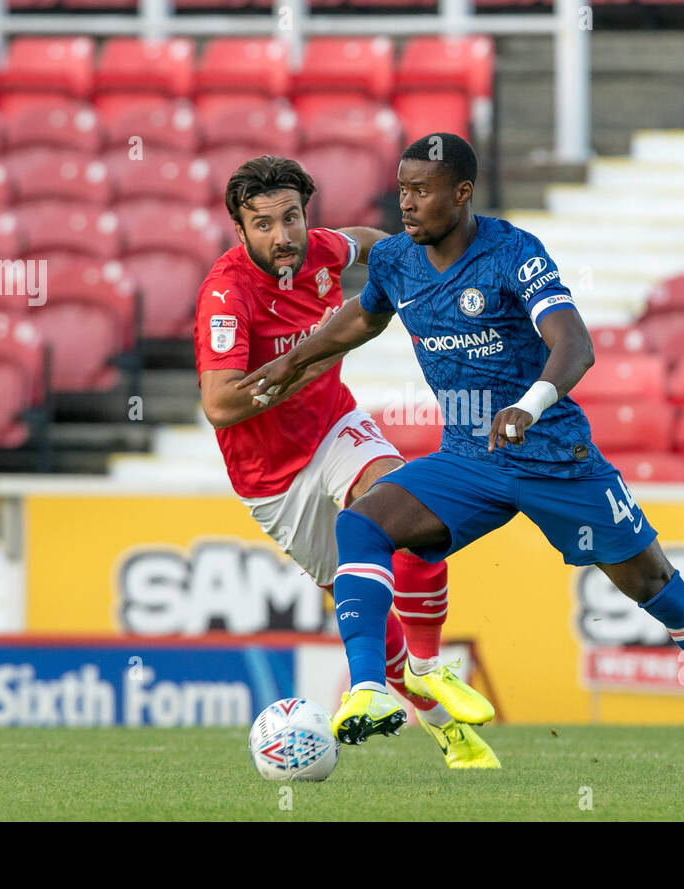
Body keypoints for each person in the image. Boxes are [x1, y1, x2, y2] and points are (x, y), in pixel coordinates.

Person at [239, 134, 684, 786]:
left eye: (421, 191)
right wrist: (293, 362)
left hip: (555, 457)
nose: (404, 204)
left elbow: (574, 344)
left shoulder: (511, 253)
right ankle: (376, 686)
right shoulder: (398, 263)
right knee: (362, 524)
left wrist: (530, 403)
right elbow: (361, 319)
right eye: (401, 189)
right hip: (469, 458)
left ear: (461, 193)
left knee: (660, 592)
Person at [195, 153, 499, 769]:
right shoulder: (226, 294)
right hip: (272, 480)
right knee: (367, 609)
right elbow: (221, 406)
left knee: (403, 508)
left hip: (336, 426)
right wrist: (303, 364)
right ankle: (437, 719)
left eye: (292, 218)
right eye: (263, 224)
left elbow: (365, 243)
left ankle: (429, 667)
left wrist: (410, 264)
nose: (282, 236)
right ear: (240, 230)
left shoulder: (320, 249)